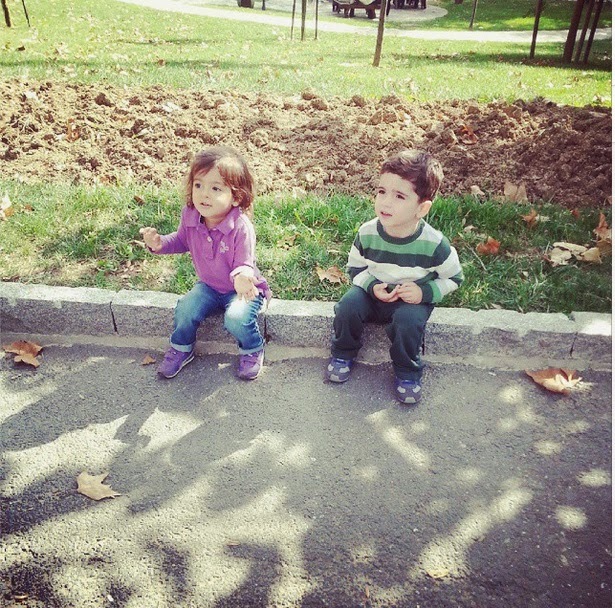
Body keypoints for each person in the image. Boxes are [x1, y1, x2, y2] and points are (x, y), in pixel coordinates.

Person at [327, 150, 463, 404]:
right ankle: (343, 352)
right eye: (382, 192)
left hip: (411, 300)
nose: (386, 203)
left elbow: (454, 278)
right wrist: (371, 286)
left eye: (399, 196)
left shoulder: (434, 244)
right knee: (347, 307)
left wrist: (424, 292)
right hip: (373, 293)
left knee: (408, 323)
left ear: (422, 208)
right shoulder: (367, 233)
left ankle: (407, 372)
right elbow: (355, 268)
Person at [140, 146, 270, 380]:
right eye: (198, 185)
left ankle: (252, 348)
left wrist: (242, 278)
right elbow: (181, 240)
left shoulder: (241, 227)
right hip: (209, 286)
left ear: (236, 197)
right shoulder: (190, 215)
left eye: (215, 188)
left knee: (236, 318)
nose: (204, 194)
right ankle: (181, 347)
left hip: (243, 289)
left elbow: (244, 262)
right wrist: (159, 244)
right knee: (186, 309)